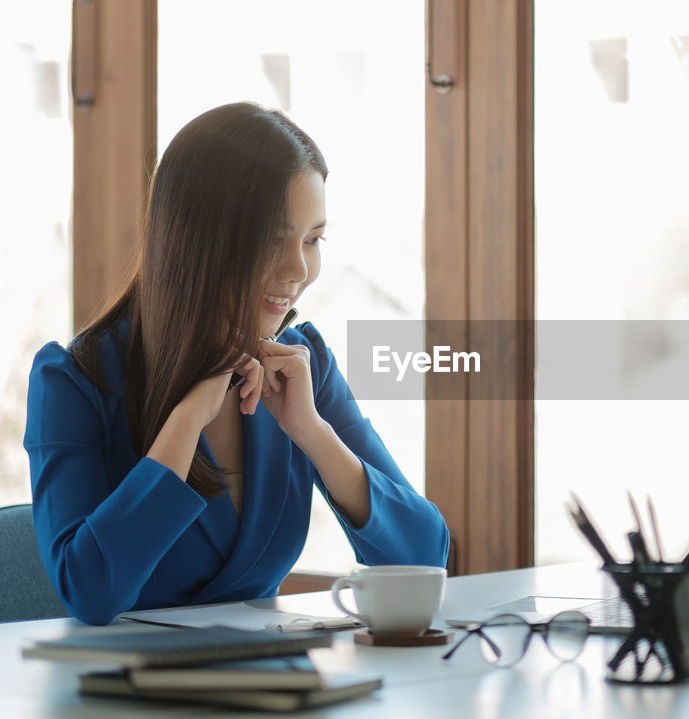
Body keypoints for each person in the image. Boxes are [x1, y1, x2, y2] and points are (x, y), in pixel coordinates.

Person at [24, 103, 449, 625]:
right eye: (273, 241)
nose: (299, 269)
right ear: (200, 242)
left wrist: (312, 432)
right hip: (132, 696)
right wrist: (184, 424)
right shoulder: (73, 381)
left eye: (313, 240)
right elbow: (88, 590)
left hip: (273, 693)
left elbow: (425, 556)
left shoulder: (300, 365)